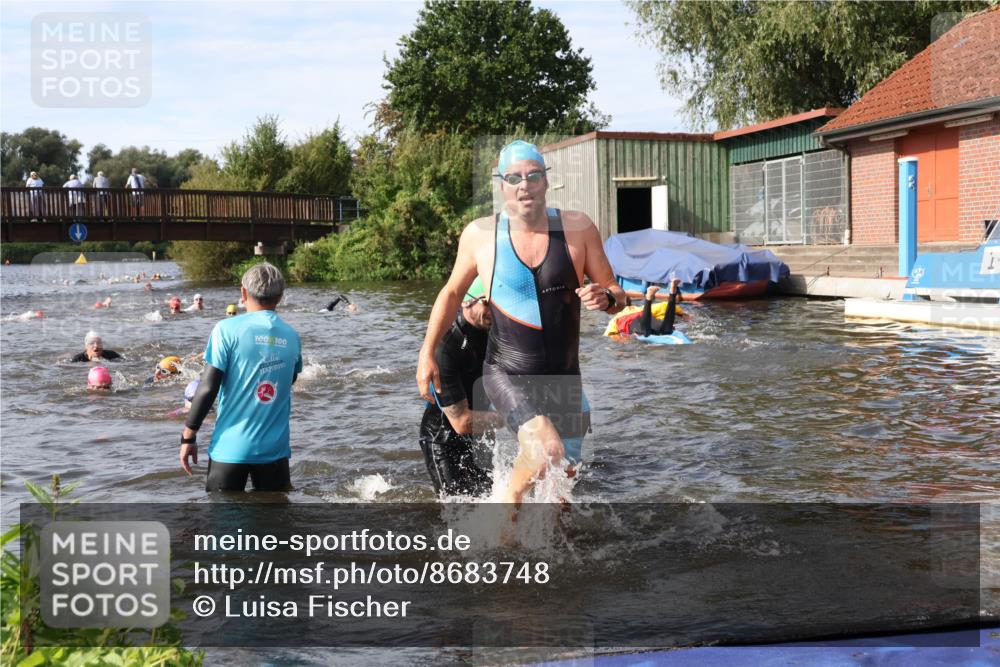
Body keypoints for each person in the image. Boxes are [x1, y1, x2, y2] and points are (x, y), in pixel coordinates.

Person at [416, 140, 628, 507]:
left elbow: (618, 294)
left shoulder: (578, 229)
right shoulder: (480, 235)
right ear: (502, 186)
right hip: (507, 374)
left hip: (565, 378)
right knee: (547, 448)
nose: (524, 185)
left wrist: (607, 298)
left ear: (546, 181)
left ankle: (542, 553)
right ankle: (505, 510)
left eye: (533, 175)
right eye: (514, 177)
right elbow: (451, 293)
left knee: (562, 491)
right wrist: (427, 353)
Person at [179, 262, 303, 492]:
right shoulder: (292, 336)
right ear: (281, 296)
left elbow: (207, 388)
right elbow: (289, 380)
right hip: (275, 452)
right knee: (276, 524)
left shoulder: (226, 329)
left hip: (230, 449)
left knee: (222, 522)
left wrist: (188, 437)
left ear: (243, 293)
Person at [419, 277, 502, 497]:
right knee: (459, 511)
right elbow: (462, 422)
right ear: (466, 302)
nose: (494, 310)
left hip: (481, 433)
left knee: (491, 501)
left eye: (499, 303)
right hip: (444, 439)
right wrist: (515, 417)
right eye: (487, 302)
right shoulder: (445, 348)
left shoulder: (497, 334)